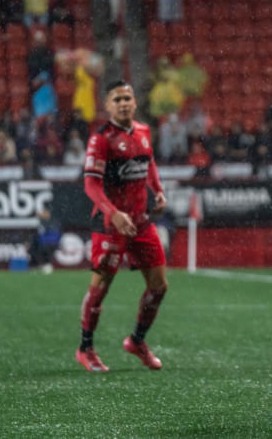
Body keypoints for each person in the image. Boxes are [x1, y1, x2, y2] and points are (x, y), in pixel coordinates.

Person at [76, 81, 169, 372]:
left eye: (128, 97)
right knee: (101, 287)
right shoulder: (101, 138)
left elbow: (148, 162)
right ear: (108, 105)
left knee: (159, 286)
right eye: (117, 99)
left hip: (141, 222)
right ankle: (85, 348)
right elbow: (91, 184)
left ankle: (137, 341)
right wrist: (113, 213)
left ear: (135, 102)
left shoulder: (143, 131)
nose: (124, 103)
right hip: (109, 224)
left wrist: (158, 189)